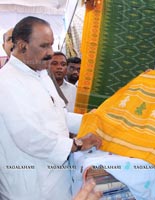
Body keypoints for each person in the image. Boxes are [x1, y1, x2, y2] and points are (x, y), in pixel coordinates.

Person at [0, 16, 102, 200]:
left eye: (52, 45)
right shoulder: (6, 82)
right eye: (44, 46)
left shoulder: (40, 75)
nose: (50, 52)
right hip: (29, 184)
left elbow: (58, 115)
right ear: (23, 46)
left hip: (54, 178)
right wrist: (78, 144)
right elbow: (29, 137)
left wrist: (95, 120)